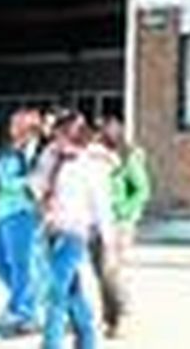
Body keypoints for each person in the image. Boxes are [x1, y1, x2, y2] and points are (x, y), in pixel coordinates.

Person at [34, 111, 114, 349]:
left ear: (75, 136)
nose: (56, 141)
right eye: (56, 136)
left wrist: (108, 242)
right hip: (49, 230)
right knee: (72, 290)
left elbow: (102, 204)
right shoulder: (50, 155)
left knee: (54, 290)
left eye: (62, 136)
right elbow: (37, 182)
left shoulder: (91, 164)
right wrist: (37, 193)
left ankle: (51, 344)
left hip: (74, 233)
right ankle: (87, 339)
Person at [0, 108, 43, 336]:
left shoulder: (37, 151)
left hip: (23, 213)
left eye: (17, 124)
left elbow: (36, 180)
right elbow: (4, 176)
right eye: (12, 124)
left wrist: (5, 185)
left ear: (31, 128)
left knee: (22, 265)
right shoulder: (10, 150)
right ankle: (24, 300)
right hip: (1, 212)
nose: (12, 128)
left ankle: (24, 311)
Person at [96, 117, 151, 339]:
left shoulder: (128, 158)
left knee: (113, 269)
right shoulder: (99, 158)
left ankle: (123, 315)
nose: (97, 136)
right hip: (100, 221)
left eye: (102, 132)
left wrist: (123, 211)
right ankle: (109, 317)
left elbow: (142, 190)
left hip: (120, 223)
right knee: (102, 271)